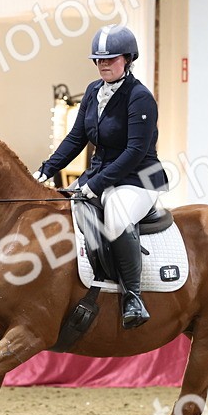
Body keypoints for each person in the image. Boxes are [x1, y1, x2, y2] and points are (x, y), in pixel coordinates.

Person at [33, 24, 167, 329]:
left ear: (127, 59)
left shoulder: (140, 97)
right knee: (58, 208)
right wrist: (45, 170)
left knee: (117, 219)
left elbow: (135, 152)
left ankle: (133, 297)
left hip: (137, 179)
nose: (103, 64)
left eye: (110, 58)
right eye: (99, 59)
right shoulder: (93, 91)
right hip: (98, 175)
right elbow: (75, 138)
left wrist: (95, 184)